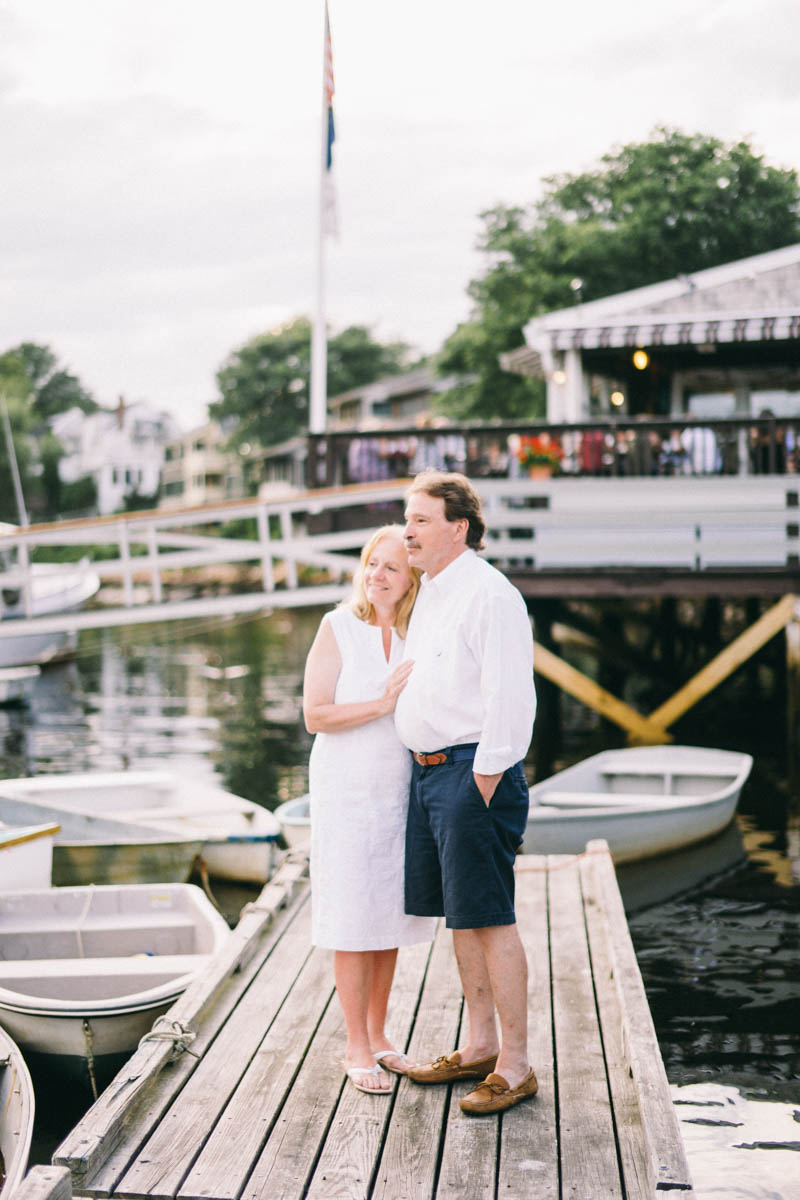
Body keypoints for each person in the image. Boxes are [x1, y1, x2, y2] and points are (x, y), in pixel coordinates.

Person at [394, 470, 538, 1115]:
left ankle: (516, 1064)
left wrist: (481, 779)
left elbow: (510, 695)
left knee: (491, 918)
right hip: (430, 772)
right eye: (407, 518)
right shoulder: (433, 590)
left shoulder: (490, 593)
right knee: (462, 918)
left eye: (421, 520)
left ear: (459, 527)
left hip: (470, 772)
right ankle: (479, 1045)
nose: (407, 531)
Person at [303, 525, 436, 1096]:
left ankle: (380, 1036)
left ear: (411, 581)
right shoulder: (338, 626)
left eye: (391, 567)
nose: (377, 575)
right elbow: (315, 715)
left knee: (387, 914)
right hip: (346, 788)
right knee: (353, 918)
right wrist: (383, 704)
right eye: (371, 564)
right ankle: (355, 1044)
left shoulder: (418, 633)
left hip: (401, 786)